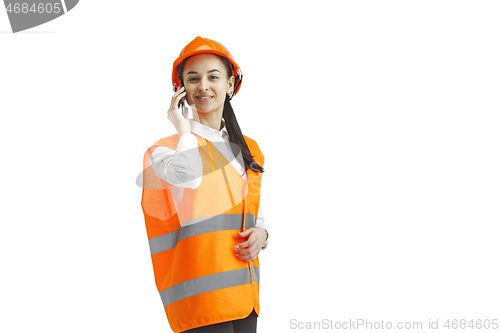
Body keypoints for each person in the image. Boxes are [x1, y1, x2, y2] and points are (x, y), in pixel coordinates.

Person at [140, 36, 271, 333]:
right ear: (180, 89)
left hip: (245, 294)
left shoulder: (249, 149)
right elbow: (190, 176)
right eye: (193, 78)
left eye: (213, 76)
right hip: (198, 305)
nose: (203, 86)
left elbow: (253, 213)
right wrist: (183, 126)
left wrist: (263, 234)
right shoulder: (164, 150)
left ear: (230, 84)